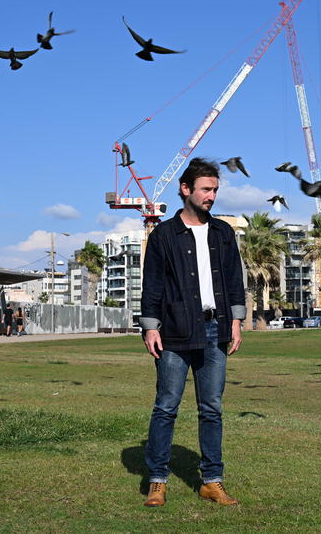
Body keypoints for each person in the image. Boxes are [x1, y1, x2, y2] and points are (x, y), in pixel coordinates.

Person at [139, 158, 246, 508]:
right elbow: (152, 285)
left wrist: (236, 320)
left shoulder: (223, 232)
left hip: (216, 329)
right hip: (173, 332)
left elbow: (233, 280)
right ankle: (157, 480)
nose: (211, 196)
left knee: (212, 408)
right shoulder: (163, 236)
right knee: (166, 407)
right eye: (205, 189)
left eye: (215, 190)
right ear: (186, 189)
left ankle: (212, 481)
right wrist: (150, 327)